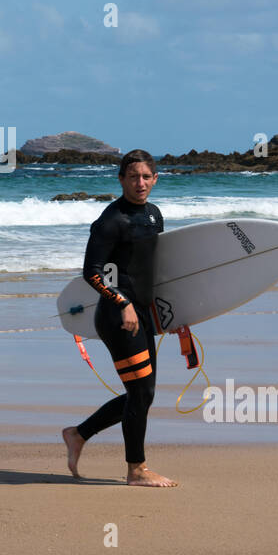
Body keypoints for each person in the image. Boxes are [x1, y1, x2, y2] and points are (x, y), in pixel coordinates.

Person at [62, 149, 177, 487]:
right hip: (116, 316)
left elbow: (151, 273)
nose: (140, 183)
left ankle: (78, 434)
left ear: (155, 179)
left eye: (146, 177)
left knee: (144, 393)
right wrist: (121, 302)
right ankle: (136, 470)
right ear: (121, 179)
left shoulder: (154, 216)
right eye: (133, 177)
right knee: (140, 392)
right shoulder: (112, 220)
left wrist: (172, 315)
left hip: (142, 314)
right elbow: (92, 272)